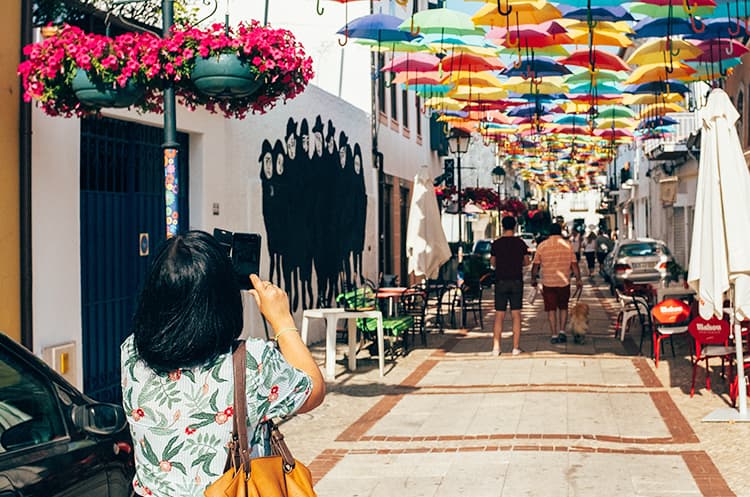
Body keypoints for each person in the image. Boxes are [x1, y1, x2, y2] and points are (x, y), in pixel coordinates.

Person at [121, 231, 325, 497]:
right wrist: (282, 320)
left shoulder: (132, 351)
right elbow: (313, 390)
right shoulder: (251, 361)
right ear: (223, 298)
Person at [531, 223, 582, 344]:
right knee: (563, 307)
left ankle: (554, 334)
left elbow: (535, 265)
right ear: (560, 232)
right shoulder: (568, 245)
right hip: (564, 282)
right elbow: (574, 264)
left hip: (548, 283)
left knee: (551, 309)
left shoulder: (542, 246)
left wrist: (533, 278)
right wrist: (578, 279)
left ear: (549, 232)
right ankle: (562, 331)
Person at [490, 216, 530, 356]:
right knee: (516, 315)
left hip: (500, 281)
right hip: (516, 281)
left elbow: (493, 262)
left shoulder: (496, 244)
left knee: (499, 315)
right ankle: (515, 347)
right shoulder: (520, 243)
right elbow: (526, 262)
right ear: (514, 226)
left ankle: (496, 347)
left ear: (502, 226)